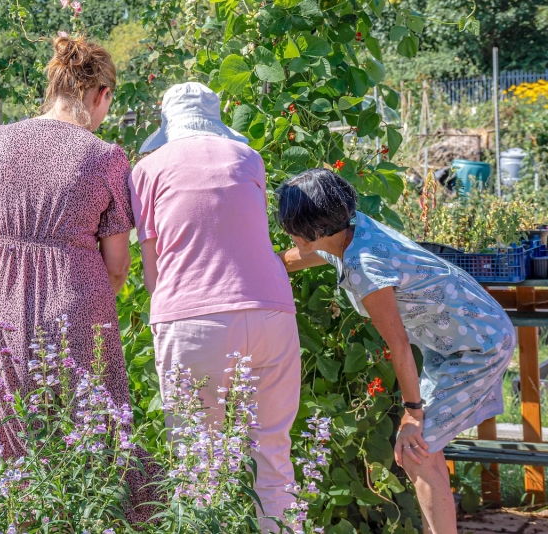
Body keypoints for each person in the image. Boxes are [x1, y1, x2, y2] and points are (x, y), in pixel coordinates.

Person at [0, 35, 157, 521]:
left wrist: (9, 257)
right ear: (101, 94)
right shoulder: (104, 156)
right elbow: (117, 265)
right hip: (79, 301)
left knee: (7, 428)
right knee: (90, 430)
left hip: (2, 302)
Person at [276, 168, 514, 534]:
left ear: (316, 228)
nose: (287, 233)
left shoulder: (364, 266)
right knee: (423, 451)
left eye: (291, 227)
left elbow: (398, 344)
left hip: (479, 347)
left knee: (415, 450)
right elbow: (302, 256)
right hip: (460, 339)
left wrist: (413, 413)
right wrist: (258, 265)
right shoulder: (351, 230)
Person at [129, 81, 300, 532]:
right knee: (272, 457)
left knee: (198, 463)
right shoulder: (248, 158)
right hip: (271, 311)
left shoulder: (147, 169)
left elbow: (152, 268)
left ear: (168, 124)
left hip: (192, 316)